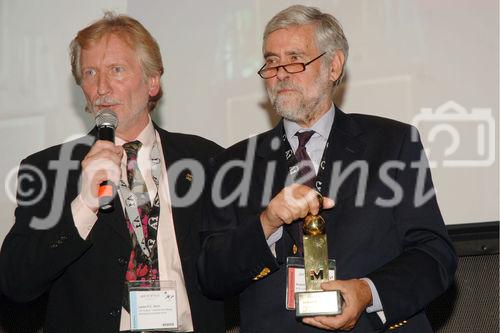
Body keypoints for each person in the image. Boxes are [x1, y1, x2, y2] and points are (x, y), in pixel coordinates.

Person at [197, 5, 457, 332]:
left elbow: (434, 256)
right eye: (272, 61)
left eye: (294, 59)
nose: (280, 73)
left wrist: (367, 291)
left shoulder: (393, 144)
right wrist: (267, 223)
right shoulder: (232, 165)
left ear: (333, 66)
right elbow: (212, 276)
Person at [0, 13, 224, 333]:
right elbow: (15, 282)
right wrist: (85, 204)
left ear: (152, 82)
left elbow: (229, 267)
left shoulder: (206, 159)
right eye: (90, 73)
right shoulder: (48, 170)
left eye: (116, 70)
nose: (102, 87)